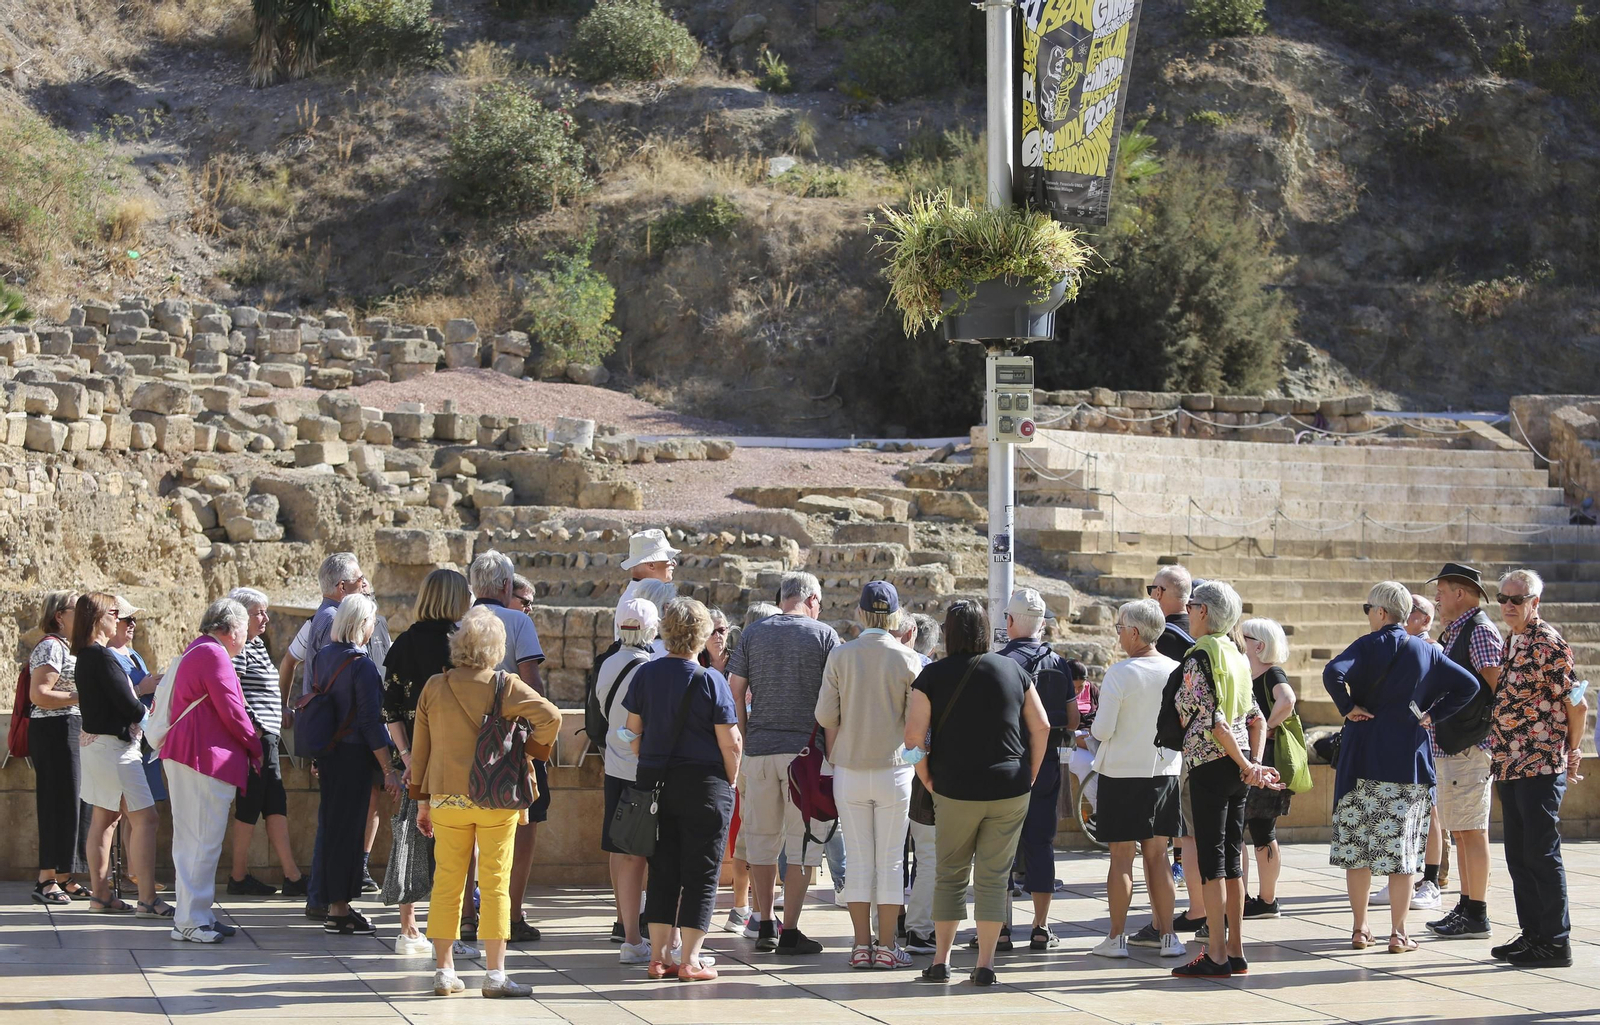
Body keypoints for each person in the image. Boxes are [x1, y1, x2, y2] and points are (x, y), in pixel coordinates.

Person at [411, 607, 563, 997]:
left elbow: (420, 751)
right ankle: (495, 975)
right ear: (497, 647)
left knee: (446, 882)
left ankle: (444, 971)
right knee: (495, 882)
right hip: (495, 795)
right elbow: (551, 716)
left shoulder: (433, 686)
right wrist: (531, 751)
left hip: (446, 798)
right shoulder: (505, 685)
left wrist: (422, 803)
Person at [1324, 581, 1476, 955]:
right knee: (1404, 851)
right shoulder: (1426, 651)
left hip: (1361, 759)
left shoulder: (1366, 644)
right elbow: (1469, 686)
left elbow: (1332, 673)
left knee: (1358, 848)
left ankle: (1360, 929)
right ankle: (1398, 932)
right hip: (1407, 761)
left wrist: (1347, 709)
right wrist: (1432, 715)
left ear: (1379, 612)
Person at [904, 600, 1050, 987]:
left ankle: (941, 961)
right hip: (1010, 788)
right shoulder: (1014, 670)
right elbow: (1043, 726)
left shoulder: (932, 676)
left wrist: (927, 776)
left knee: (949, 874)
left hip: (954, 789)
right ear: (987, 630)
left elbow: (913, 738)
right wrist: (1030, 774)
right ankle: (985, 965)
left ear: (948, 633)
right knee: (993, 876)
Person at [622, 597, 743, 981]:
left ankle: (658, 956)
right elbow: (731, 742)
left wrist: (649, 757)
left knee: (662, 870)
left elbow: (631, 731)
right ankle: (690, 960)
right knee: (702, 872)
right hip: (704, 784)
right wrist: (732, 778)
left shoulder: (645, 674)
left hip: (655, 784)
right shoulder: (711, 680)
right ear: (703, 635)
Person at [726, 571, 841, 955]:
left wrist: (745, 732)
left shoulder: (753, 633)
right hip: (806, 755)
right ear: (810, 599)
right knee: (803, 845)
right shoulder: (823, 635)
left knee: (761, 841)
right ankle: (790, 928)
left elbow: (736, 690)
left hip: (759, 750)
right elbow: (835, 695)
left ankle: (763, 924)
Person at [1170, 580, 1280, 978]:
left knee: (1213, 861)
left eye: (1193, 605)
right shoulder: (1235, 655)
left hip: (1211, 765)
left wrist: (1244, 761)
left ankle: (1215, 952)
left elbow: (1211, 721)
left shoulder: (1199, 656)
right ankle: (1235, 950)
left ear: (1203, 611)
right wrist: (1252, 762)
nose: (1189, 611)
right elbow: (1257, 718)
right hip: (1237, 768)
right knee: (1233, 858)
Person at [814, 582, 923, 969]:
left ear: (860, 614)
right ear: (894, 616)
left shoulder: (842, 656)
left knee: (859, 860)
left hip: (850, 767)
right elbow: (916, 722)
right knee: (892, 860)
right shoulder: (909, 659)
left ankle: (862, 946)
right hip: (894, 768)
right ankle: (889, 946)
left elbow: (826, 716)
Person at [1488, 569, 1587, 968]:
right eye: (1503, 598)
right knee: (1518, 855)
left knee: (1541, 854)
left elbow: (1576, 703)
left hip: (1540, 764)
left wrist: (1573, 749)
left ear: (1535, 602)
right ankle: (1533, 935)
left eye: (1518, 599)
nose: (1509, 605)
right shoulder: (1513, 640)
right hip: (1509, 763)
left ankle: (1556, 941)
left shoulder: (1548, 643)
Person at [382, 569, 473, 958]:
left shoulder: (403, 643)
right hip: (452, 761)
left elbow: (390, 709)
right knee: (452, 849)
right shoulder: (457, 645)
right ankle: (445, 939)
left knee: (412, 842)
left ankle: (409, 929)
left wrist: (406, 758)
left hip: (415, 763)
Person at [1089, 599, 1184, 958]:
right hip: (1163, 772)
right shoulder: (1177, 669)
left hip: (1121, 775)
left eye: (1119, 628)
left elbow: (1102, 728)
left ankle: (1116, 938)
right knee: (1159, 857)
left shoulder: (1120, 673)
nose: (1117, 635)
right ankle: (1168, 937)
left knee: (1121, 858)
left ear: (1134, 632)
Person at [163, 599, 261, 943]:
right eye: (245, 631)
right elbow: (233, 711)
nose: (247, 638)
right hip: (201, 757)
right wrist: (255, 745)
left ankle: (197, 913)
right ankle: (190, 921)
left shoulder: (200, 649)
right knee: (201, 840)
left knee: (196, 840)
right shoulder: (213, 654)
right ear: (230, 629)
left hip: (193, 755)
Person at [305, 594, 400, 937]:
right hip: (353, 757)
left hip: (330, 756)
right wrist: (389, 770)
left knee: (333, 830)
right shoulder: (362, 665)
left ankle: (334, 906)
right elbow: (371, 723)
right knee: (349, 834)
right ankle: (340, 911)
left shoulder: (324, 657)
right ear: (363, 624)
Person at [465, 549, 548, 943]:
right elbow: (531, 683)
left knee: (463, 828)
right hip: (510, 740)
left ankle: (466, 914)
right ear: (504, 586)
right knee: (525, 821)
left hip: (463, 737)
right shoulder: (517, 621)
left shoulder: (459, 621)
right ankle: (510, 913)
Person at [278, 551, 365, 920]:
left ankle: (319, 894)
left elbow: (291, 661)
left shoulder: (317, 618)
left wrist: (287, 706)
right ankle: (326, 898)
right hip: (339, 732)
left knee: (330, 817)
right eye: (360, 580)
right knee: (335, 821)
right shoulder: (335, 620)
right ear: (342, 586)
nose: (365, 585)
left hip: (321, 727)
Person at [1418, 563, 1502, 940]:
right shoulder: (1457, 629)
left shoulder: (1480, 630)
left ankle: (1477, 911)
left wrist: (1485, 733)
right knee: (1463, 830)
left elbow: (1498, 689)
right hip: (1455, 744)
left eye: (1442, 590)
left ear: (1460, 593)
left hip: (1469, 745)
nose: (1437, 597)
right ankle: (1468, 906)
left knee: (1472, 830)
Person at [72, 592, 169, 918]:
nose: (120, 617)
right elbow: (128, 703)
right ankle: (147, 898)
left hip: (99, 748)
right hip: (116, 750)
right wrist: (157, 730)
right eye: (115, 612)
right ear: (100, 617)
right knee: (146, 818)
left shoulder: (88, 656)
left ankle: (101, 896)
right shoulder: (101, 657)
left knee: (105, 819)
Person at [996, 588, 1077, 952]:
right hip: (1045, 766)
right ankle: (1041, 927)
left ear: (1010, 622)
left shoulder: (999, 663)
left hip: (1007, 764)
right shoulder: (1058, 663)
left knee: (998, 847)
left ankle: (997, 929)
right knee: (1041, 844)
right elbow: (1073, 719)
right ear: (1042, 624)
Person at [224, 588, 306, 898]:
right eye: (259, 612)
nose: (265, 618)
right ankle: (238, 875)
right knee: (251, 804)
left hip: (268, 736)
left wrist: (280, 710)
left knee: (275, 804)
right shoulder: (241, 646)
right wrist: (254, 727)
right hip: (256, 738)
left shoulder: (256, 644)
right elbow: (233, 688)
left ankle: (292, 875)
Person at [596, 597, 662, 963]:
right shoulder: (649, 667)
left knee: (619, 847)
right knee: (639, 853)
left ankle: (624, 922)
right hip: (640, 766)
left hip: (613, 766)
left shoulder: (607, 664)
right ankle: (635, 934)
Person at [1149, 564, 1204, 926]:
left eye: (1153, 588)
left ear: (1165, 594)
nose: (1150, 594)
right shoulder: (1204, 638)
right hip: (1206, 744)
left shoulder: (1165, 639)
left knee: (1184, 835)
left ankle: (1196, 911)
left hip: (1174, 747)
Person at [27, 589, 90, 906]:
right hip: (54, 730)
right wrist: (85, 696)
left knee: (74, 804)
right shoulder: (51, 647)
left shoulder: (71, 647)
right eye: (76, 608)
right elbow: (39, 695)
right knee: (56, 802)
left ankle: (66, 876)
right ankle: (46, 879)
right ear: (58, 615)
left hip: (71, 729)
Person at [724, 600, 781, 938]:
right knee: (758, 836)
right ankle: (755, 911)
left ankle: (748, 908)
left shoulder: (747, 662)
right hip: (753, 755)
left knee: (752, 834)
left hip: (750, 755)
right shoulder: (753, 666)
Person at [1235, 618, 1295, 922]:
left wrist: (1268, 726)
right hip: (1261, 759)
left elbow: (1288, 699)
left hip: (1263, 758)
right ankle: (1262, 900)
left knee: (1250, 829)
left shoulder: (1271, 672)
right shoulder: (1250, 672)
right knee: (1259, 830)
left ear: (1258, 644)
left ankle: (1252, 899)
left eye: (1241, 636)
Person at [615, 528, 679, 639]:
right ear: (651, 565)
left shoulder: (635, 598)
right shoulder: (638, 602)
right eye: (669, 558)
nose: (674, 563)